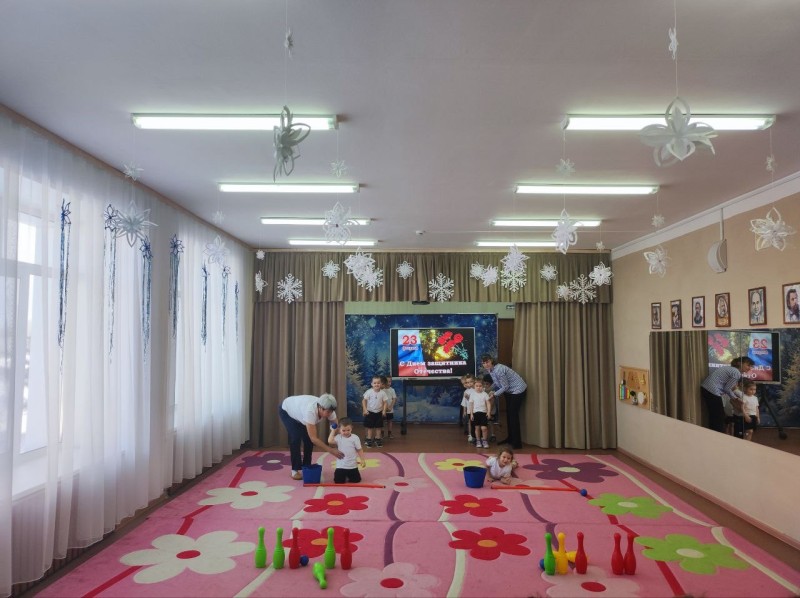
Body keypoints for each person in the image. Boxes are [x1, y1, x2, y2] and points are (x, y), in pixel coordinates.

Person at [279, 394, 343, 480]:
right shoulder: (310, 412)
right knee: (296, 438)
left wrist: (337, 433)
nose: (330, 414)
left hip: (300, 412)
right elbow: (314, 439)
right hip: (287, 410)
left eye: (331, 412)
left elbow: (335, 424)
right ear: (320, 407)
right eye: (328, 412)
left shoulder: (329, 409)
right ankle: (295, 470)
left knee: (308, 440)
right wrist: (331, 450)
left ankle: (306, 466)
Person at [481, 354, 527, 449]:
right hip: (509, 391)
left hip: (518, 390)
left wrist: (494, 394)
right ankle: (510, 438)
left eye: (487, 362)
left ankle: (517, 443)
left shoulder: (499, 370)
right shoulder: (490, 369)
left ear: (491, 361)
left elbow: (505, 386)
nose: (486, 364)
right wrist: (487, 390)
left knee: (513, 416)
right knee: (509, 414)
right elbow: (497, 383)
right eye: (484, 363)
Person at [700, 356, 754, 434]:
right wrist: (735, 398)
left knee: (715, 416)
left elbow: (725, 388)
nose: (749, 368)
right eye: (748, 365)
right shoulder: (736, 372)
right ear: (739, 363)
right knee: (719, 418)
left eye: (751, 366)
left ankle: (712, 435)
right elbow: (727, 389)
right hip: (712, 390)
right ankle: (716, 437)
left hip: (707, 388)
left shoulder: (731, 369)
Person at [327, 417, 366, 483]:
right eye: (343, 430)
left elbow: (359, 450)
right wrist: (333, 430)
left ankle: (348, 475)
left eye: (348, 430)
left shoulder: (355, 438)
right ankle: (344, 475)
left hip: (352, 465)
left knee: (356, 480)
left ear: (351, 428)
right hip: (341, 466)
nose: (346, 432)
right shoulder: (338, 437)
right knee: (338, 481)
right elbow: (330, 441)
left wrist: (362, 460)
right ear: (339, 429)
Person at [362, 376, 388, 448]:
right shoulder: (369, 392)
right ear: (372, 384)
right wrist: (365, 409)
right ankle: (369, 439)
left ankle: (378, 439)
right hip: (370, 412)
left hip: (379, 413)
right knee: (370, 427)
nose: (376, 384)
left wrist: (384, 411)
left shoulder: (383, 393)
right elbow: (364, 401)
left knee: (378, 427)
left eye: (378, 383)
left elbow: (385, 402)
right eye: (375, 383)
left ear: (381, 384)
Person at [468, 377, 492, 449]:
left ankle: (484, 440)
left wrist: (488, 412)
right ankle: (478, 441)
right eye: (477, 386)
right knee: (477, 428)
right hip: (475, 414)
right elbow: (471, 404)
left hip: (483, 413)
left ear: (483, 386)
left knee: (484, 428)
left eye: (480, 386)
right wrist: (471, 414)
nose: (478, 387)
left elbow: (488, 403)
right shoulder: (472, 394)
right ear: (474, 386)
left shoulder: (485, 394)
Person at [460, 374, 476, 443]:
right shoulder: (466, 391)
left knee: (476, 423)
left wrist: (468, 397)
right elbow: (464, 403)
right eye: (465, 383)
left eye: (468, 382)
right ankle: (470, 434)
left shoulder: (476, 389)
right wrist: (464, 411)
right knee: (470, 422)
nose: (466, 384)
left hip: (476, 409)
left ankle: (478, 436)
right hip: (469, 410)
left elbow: (475, 400)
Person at [382, 376, 398, 440]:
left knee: (390, 421)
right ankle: (382, 433)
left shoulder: (392, 390)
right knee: (382, 421)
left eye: (390, 381)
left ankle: (389, 433)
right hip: (383, 409)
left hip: (390, 409)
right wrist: (384, 408)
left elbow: (394, 399)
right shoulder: (381, 390)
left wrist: (391, 406)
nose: (388, 383)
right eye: (387, 381)